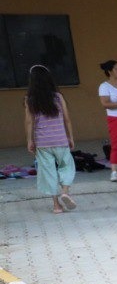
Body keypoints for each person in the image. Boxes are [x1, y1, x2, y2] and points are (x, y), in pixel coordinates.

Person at [23, 65, 77, 214]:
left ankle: (56, 206)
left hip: (43, 142)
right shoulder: (58, 97)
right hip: (60, 139)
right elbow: (67, 119)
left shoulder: (30, 99)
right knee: (67, 166)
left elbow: (29, 122)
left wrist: (29, 140)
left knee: (49, 172)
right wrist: (70, 137)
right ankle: (65, 192)